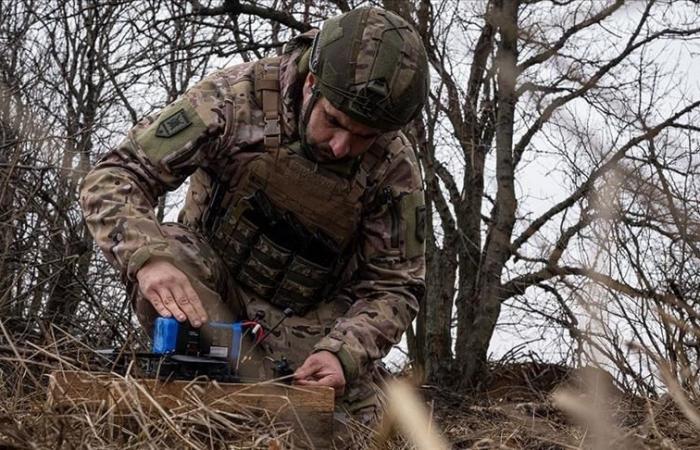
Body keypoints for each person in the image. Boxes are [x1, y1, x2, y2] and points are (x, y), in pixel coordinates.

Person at [80, 6, 428, 446]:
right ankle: (196, 393)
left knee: (361, 434)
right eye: (335, 122)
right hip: (212, 297)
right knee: (170, 251)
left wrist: (343, 354)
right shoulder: (233, 98)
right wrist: (147, 258)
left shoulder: (394, 168)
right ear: (311, 83)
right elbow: (117, 175)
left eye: (364, 137)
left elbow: (395, 285)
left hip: (310, 331)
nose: (342, 146)